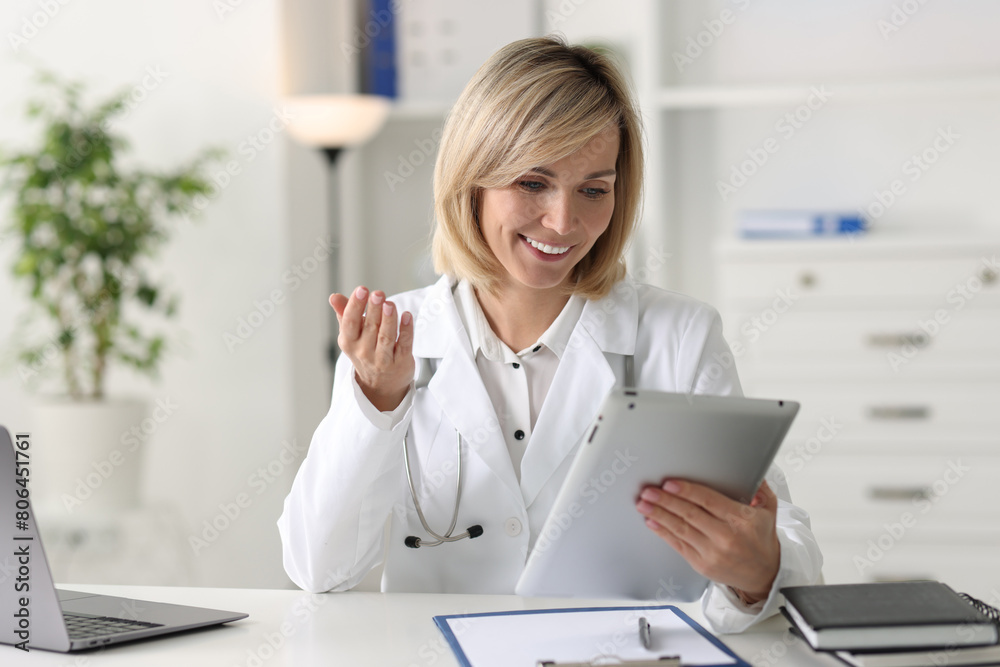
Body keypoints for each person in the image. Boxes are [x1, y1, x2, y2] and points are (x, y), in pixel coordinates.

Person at [278, 36, 822, 633]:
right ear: (472, 181)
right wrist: (377, 401)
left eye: (594, 190)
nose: (564, 222)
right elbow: (317, 568)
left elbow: (783, 541)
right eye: (533, 183)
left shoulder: (680, 336)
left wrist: (758, 570)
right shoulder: (393, 344)